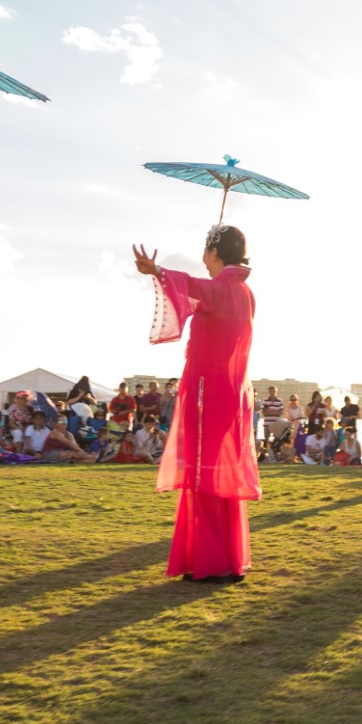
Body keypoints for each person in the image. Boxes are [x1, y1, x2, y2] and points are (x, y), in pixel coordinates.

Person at [132, 224, 261, 584]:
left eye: (206, 251)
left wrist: (157, 271)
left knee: (202, 471)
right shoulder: (245, 292)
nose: (203, 259)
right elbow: (198, 295)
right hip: (232, 392)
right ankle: (228, 559)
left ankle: (210, 562)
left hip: (208, 390)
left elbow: (193, 287)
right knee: (220, 470)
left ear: (214, 253)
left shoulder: (220, 288)